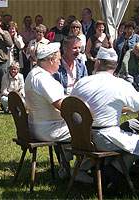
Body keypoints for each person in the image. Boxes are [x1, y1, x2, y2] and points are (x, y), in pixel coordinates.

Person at [71, 47, 139, 189]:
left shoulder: (81, 83)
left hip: (80, 137)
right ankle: (112, 172)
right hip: (103, 139)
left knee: (124, 138)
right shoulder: (120, 84)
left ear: (98, 63)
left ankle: (102, 170)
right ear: (115, 66)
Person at [25, 42, 93, 184]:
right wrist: (83, 113)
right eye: (58, 59)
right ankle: (78, 171)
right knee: (93, 133)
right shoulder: (43, 78)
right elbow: (62, 106)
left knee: (78, 129)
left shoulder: (34, 74)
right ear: (51, 60)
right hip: (48, 129)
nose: (59, 63)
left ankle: (65, 167)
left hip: (38, 125)